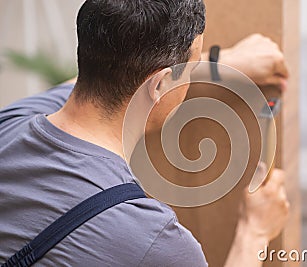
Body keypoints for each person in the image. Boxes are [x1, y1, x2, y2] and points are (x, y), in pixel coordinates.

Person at [0, 0, 289, 266]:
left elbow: (83, 80)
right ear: (162, 85)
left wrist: (219, 63)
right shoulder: (152, 239)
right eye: (191, 68)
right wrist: (255, 232)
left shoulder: (10, 123)